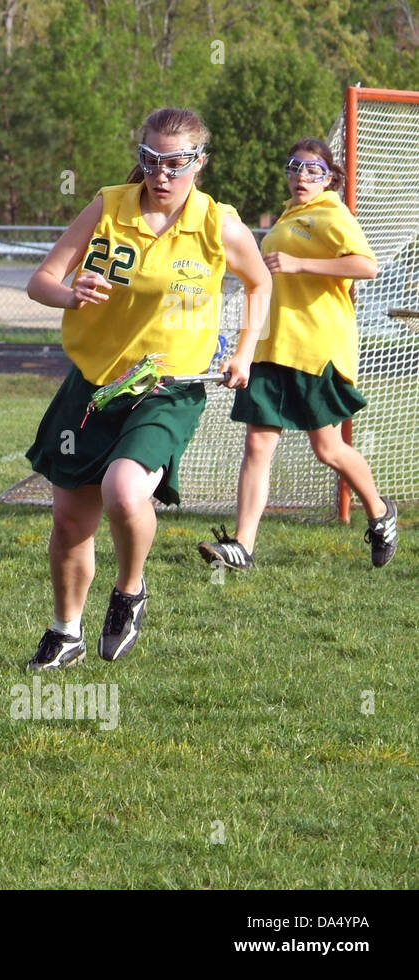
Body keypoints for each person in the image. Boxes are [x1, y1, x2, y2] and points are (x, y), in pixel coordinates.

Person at [23, 107, 271, 671]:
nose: (161, 174)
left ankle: (129, 592)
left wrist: (245, 351)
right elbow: (41, 281)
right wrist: (71, 292)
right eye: (151, 160)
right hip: (92, 386)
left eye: (176, 163)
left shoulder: (217, 224)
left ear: (199, 164)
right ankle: (66, 633)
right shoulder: (108, 206)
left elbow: (260, 281)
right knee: (69, 522)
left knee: (125, 489)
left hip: (167, 388)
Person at [197, 138, 396, 571]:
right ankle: (242, 547)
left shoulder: (331, 214)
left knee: (327, 449)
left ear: (329, 178)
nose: (302, 177)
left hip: (314, 348)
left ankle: (380, 513)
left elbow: (367, 266)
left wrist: (301, 264)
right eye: (295, 168)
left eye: (314, 170)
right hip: (271, 346)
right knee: (257, 445)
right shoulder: (290, 214)